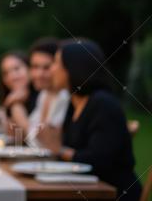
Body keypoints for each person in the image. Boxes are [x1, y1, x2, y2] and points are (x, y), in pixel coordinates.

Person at [36, 38, 140, 201]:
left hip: (112, 193)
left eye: (56, 63)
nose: (52, 69)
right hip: (82, 190)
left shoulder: (103, 103)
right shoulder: (74, 103)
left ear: (73, 67)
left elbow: (98, 160)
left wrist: (60, 150)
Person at [24, 37, 70, 147]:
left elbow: (48, 143)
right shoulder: (44, 94)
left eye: (46, 67)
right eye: (35, 67)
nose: (39, 74)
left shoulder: (66, 97)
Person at [0, 50, 37, 139]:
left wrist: (14, 104)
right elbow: (14, 136)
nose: (12, 76)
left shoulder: (44, 95)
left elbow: (33, 136)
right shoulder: (11, 99)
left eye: (17, 69)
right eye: (5, 73)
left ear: (29, 68)